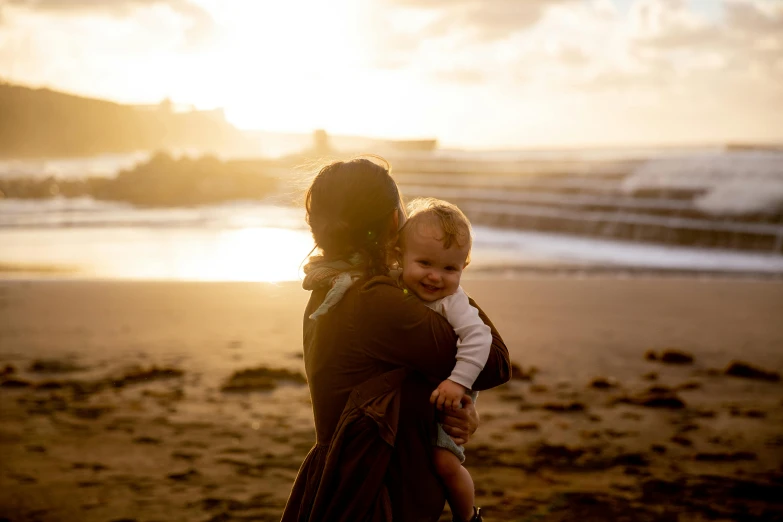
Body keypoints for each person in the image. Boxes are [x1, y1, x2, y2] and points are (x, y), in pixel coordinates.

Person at [281, 156, 511, 522]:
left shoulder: (334, 285)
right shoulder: (375, 300)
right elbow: (496, 363)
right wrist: (450, 280)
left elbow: (398, 376)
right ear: (393, 222)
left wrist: (453, 405)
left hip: (348, 475)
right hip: (378, 490)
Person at [394, 197, 490, 522]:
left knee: (444, 462)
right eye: (425, 264)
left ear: (464, 266)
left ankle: (467, 517)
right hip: (429, 389)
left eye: (450, 268)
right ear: (399, 257)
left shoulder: (453, 302)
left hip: (453, 389)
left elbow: (479, 337)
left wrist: (458, 382)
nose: (436, 277)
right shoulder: (392, 289)